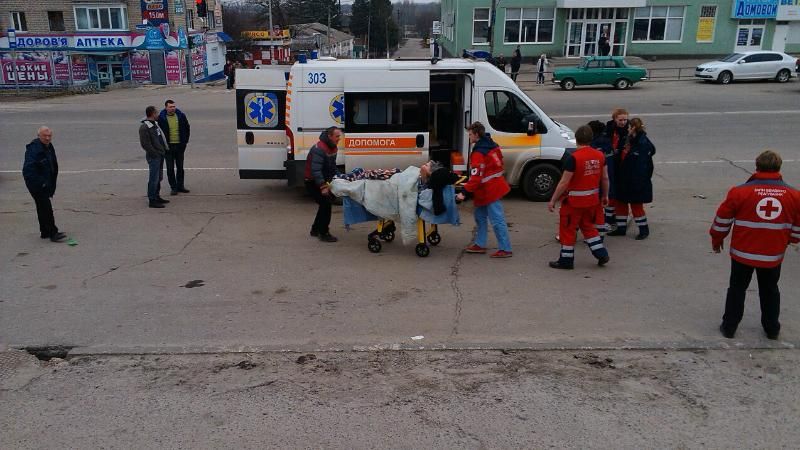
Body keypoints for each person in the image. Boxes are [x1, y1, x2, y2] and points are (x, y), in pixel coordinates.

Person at [711, 150, 800, 340]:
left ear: (757, 166)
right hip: (772, 256)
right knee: (770, 290)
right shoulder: (794, 195)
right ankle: (772, 329)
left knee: (737, 289)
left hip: (742, 254)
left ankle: (729, 327)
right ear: (779, 167)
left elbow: (722, 219)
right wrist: (791, 240)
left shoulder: (740, 192)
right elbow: (797, 226)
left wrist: (717, 239)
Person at [548, 125, 610, 269]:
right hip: (592, 201)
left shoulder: (574, 158)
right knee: (588, 227)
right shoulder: (600, 156)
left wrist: (553, 200)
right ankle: (601, 253)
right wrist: (605, 195)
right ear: (591, 139)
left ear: (576, 139)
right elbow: (605, 178)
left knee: (567, 230)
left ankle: (566, 260)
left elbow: (564, 182)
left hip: (574, 203)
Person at [456, 121, 513, 258]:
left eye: (470, 134)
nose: (469, 137)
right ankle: (480, 244)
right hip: (491, 187)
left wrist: (464, 192)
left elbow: (476, 177)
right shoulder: (491, 145)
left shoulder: (478, 152)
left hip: (489, 190)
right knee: (480, 216)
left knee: (496, 219)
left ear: (476, 134)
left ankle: (505, 248)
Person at [608, 117, 656, 239]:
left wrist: (638, 182)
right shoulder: (630, 139)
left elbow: (642, 166)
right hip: (623, 180)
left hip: (635, 182)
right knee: (620, 204)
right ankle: (621, 228)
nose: (627, 128)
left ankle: (643, 230)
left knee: (636, 207)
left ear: (633, 128)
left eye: (629, 127)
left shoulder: (642, 144)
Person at [22, 126, 66, 242]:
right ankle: (53, 233)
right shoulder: (34, 150)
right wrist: (42, 184)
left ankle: (45, 231)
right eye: (44, 136)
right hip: (37, 184)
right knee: (46, 208)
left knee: (41, 207)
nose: (47, 138)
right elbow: (28, 170)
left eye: (49, 136)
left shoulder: (48, 146)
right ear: (39, 136)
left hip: (45, 182)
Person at [305, 126, 343, 243]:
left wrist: (340, 177)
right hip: (312, 181)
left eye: (339, 136)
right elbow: (316, 170)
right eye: (337, 136)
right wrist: (323, 187)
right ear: (330, 136)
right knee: (326, 205)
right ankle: (324, 233)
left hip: (320, 180)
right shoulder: (320, 149)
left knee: (323, 205)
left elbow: (332, 167)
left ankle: (315, 229)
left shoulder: (333, 148)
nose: (339, 138)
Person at [139, 106, 170, 208]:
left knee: (159, 177)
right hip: (154, 156)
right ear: (152, 114)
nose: (158, 115)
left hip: (160, 154)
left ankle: (157, 196)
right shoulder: (145, 127)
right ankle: (152, 200)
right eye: (156, 113)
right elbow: (145, 144)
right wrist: (155, 153)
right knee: (154, 178)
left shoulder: (155, 124)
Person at [158, 100, 191, 196]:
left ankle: (180, 186)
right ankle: (173, 187)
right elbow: (158, 132)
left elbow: (187, 127)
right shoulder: (161, 118)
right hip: (168, 147)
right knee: (170, 168)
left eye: (174, 106)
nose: (173, 108)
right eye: (170, 107)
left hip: (180, 146)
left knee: (180, 167)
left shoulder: (181, 116)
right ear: (166, 108)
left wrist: (185, 141)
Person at [604, 108, 629, 226]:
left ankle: (613, 216)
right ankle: (610, 216)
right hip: (612, 164)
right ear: (615, 119)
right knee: (611, 192)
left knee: (618, 193)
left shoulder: (629, 130)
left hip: (622, 166)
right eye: (620, 120)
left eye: (625, 120)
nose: (623, 122)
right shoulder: (609, 129)